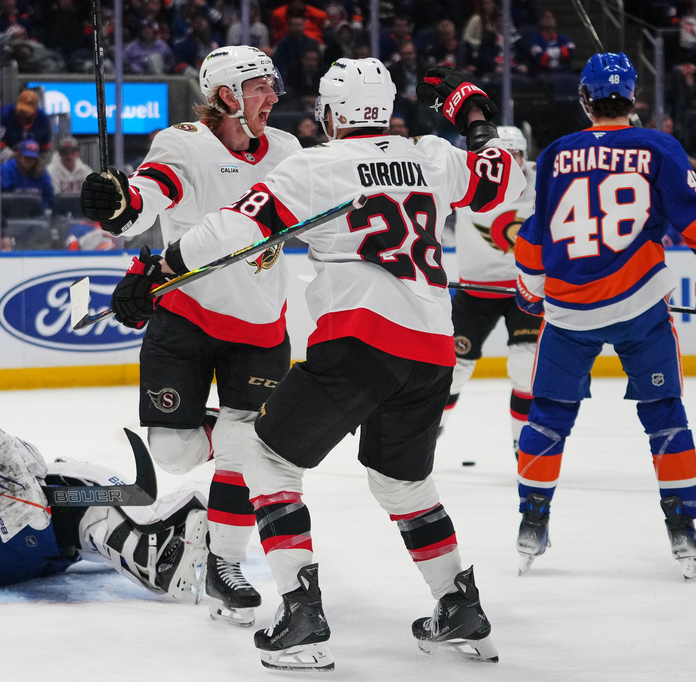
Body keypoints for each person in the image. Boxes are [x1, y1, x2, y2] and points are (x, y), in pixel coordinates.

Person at [118, 59, 526, 670]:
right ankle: (459, 607)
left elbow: (232, 228)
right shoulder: (432, 155)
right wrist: (472, 115)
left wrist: (160, 266)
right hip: (433, 349)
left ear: (333, 113)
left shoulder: (313, 164)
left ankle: (301, 615)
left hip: (360, 342)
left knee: (262, 456)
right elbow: (504, 183)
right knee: (403, 483)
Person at [80, 46, 301, 627]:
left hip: (261, 325)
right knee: (174, 453)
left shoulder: (287, 150)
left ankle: (224, 567)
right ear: (227, 94)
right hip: (187, 316)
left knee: (243, 445)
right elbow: (145, 200)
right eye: (260, 88)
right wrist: (118, 202)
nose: (272, 97)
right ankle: (239, 440)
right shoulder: (183, 143)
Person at [513, 53, 696, 581]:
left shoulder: (557, 152)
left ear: (584, 100)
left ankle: (531, 522)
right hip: (640, 310)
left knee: (547, 418)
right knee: (664, 414)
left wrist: (531, 291)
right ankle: (682, 530)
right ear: (633, 99)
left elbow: (534, 238)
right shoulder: (658, 146)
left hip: (566, 314)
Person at [0, 343, 209, 593]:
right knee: (67, 486)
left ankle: (156, 538)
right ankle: (155, 562)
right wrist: (25, 499)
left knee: (66, 506)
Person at [442, 125, 540, 458]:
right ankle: (430, 432)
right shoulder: (466, 177)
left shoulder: (544, 183)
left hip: (524, 293)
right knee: (453, 371)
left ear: (525, 156)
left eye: (516, 155)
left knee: (526, 369)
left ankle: (522, 443)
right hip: (474, 292)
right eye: (503, 155)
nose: (510, 162)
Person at [0, 139, 54, 208]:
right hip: (12, 212)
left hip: (36, 213)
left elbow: (48, 196)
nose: (29, 160)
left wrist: (42, 210)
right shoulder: (7, 169)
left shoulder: (42, 172)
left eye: (32, 158)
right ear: (20, 155)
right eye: (26, 157)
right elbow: (2, 196)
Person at [0, 89, 51, 160]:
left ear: (35, 110)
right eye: (21, 109)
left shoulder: (43, 119)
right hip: (8, 156)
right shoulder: (5, 115)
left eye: (27, 111)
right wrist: (12, 156)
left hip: (34, 158)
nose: (23, 113)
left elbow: (45, 148)